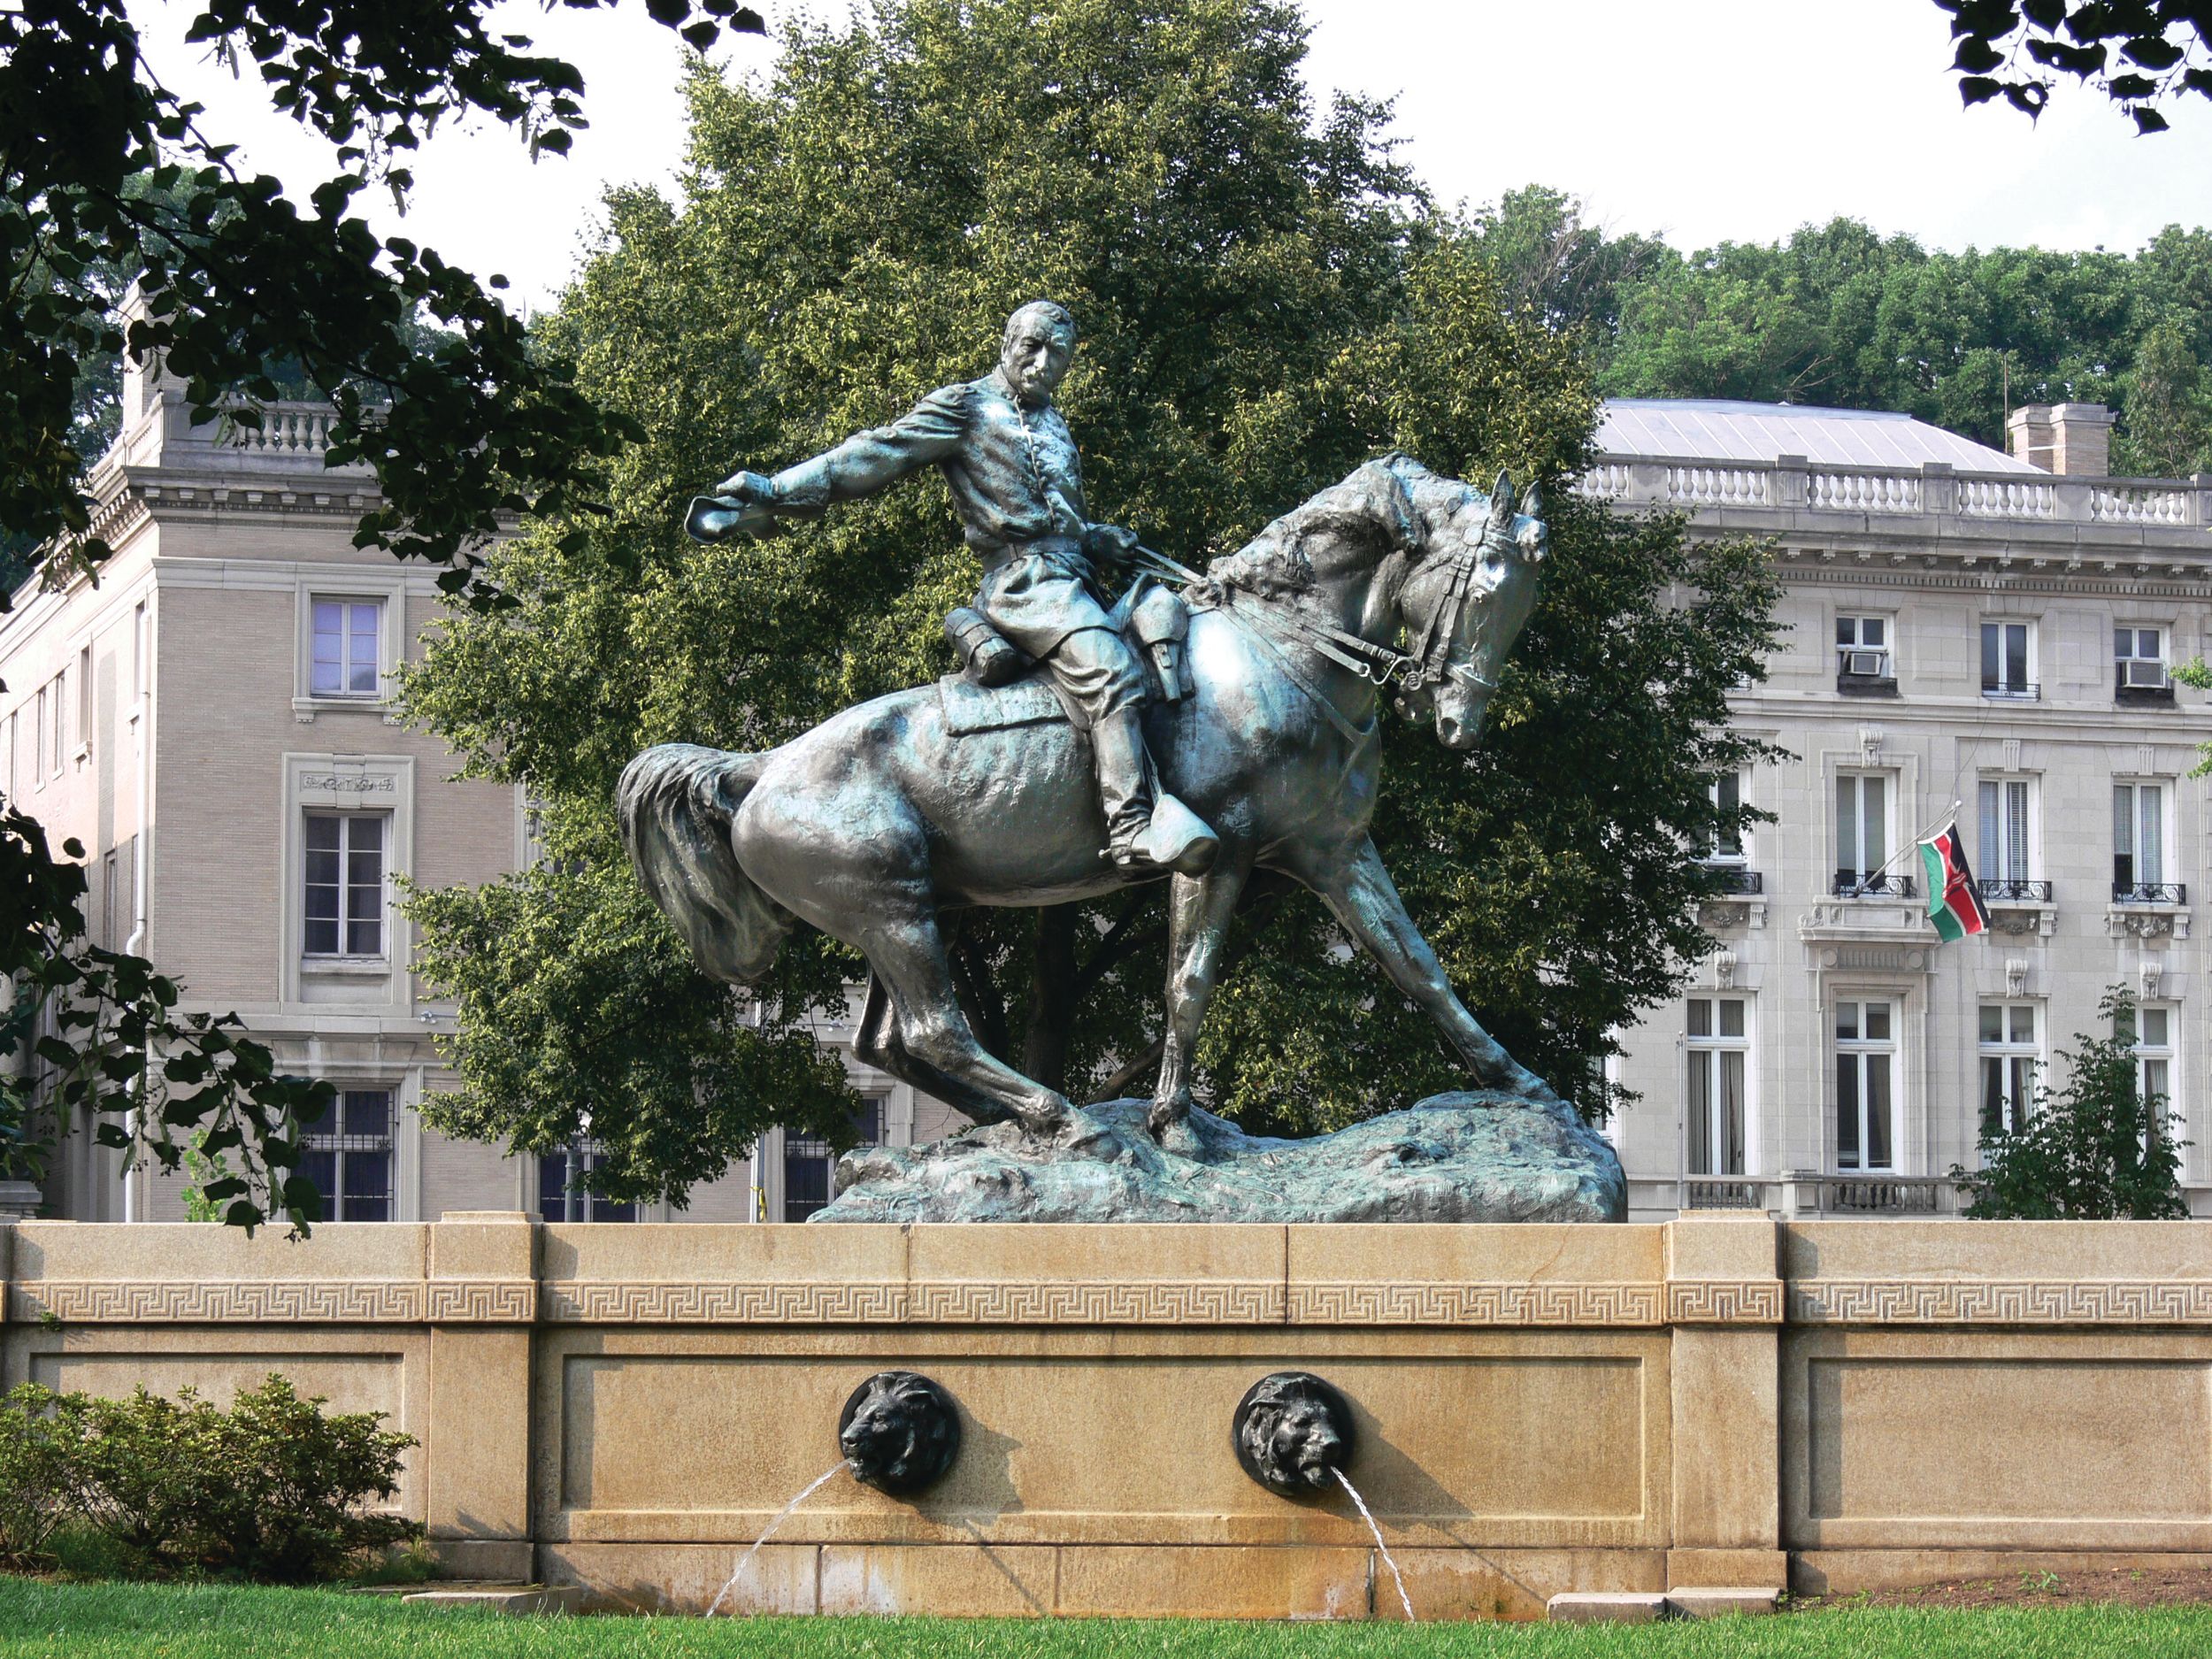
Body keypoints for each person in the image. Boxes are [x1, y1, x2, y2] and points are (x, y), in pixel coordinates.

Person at [692, 300, 1217, 875]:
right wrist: (775, 489)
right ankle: (1131, 829)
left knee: (1169, 633)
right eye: (1032, 347)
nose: (1043, 363)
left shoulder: (1054, 423)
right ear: (1006, 342)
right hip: (1025, 588)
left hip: (1078, 581)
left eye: (1058, 355)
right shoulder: (966, 407)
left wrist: (1095, 537)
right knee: (1110, 669)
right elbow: (873, 454)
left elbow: (1055, 519)